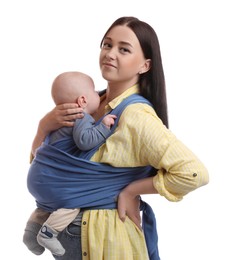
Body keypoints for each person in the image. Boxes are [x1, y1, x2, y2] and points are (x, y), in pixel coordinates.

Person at [26, 16, 209, 260]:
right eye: (107, 45)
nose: (110, 54)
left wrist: (131, 190)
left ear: (145, 65)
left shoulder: (135, 116)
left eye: (124, 49)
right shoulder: (89, 102)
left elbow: (194, 173)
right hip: (67, 232)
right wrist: (43, 127)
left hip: (103, 237)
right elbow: (48, 166)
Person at [23, 71, 116, 256]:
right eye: (94, 92)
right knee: (72, 203)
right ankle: (48, 233)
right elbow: (85, 140)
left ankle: (32, 230)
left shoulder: (60, 119)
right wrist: (104, 126)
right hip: (54, 181)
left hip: (38, 176)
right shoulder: (81, 116)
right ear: (82, 100)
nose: (97, 94)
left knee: (48, 204)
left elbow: (38, 150)